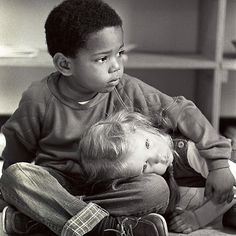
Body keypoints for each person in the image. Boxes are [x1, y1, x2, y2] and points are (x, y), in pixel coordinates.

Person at [0, 0, 234, 235]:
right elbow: (16, 152)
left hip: (114, 188)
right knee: (16, 176)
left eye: (120, 53)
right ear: (64, 64)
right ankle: (107, 227)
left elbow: (182, 111)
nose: (116, 67)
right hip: (60, 185)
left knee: (156, 189)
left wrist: (218, 163)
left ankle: (44, 221)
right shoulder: (38, 98)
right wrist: (14, 192)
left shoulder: (127, 89)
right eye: (102, 59)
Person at [78, 110, 236, 233]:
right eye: (145, 166)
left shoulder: (188, 153)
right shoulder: (153, 187)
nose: (158, 158)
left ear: (144, 127)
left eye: (148, 144)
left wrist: (197, 219)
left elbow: (231, 183)